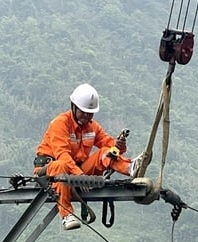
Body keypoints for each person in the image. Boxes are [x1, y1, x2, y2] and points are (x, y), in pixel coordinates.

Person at [33, 83, 137, 230]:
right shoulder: (60, 123)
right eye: (83, 112)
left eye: (90, 113)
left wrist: (119, 145)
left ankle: (130, 168)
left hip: (77, 171)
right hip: (51, 171)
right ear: (74, 107)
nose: (87, 116)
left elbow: (107, 144)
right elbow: (62, 155)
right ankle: (66, 215)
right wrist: (79, 176)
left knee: (105, 152)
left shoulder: (92, 126)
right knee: (62, 166)